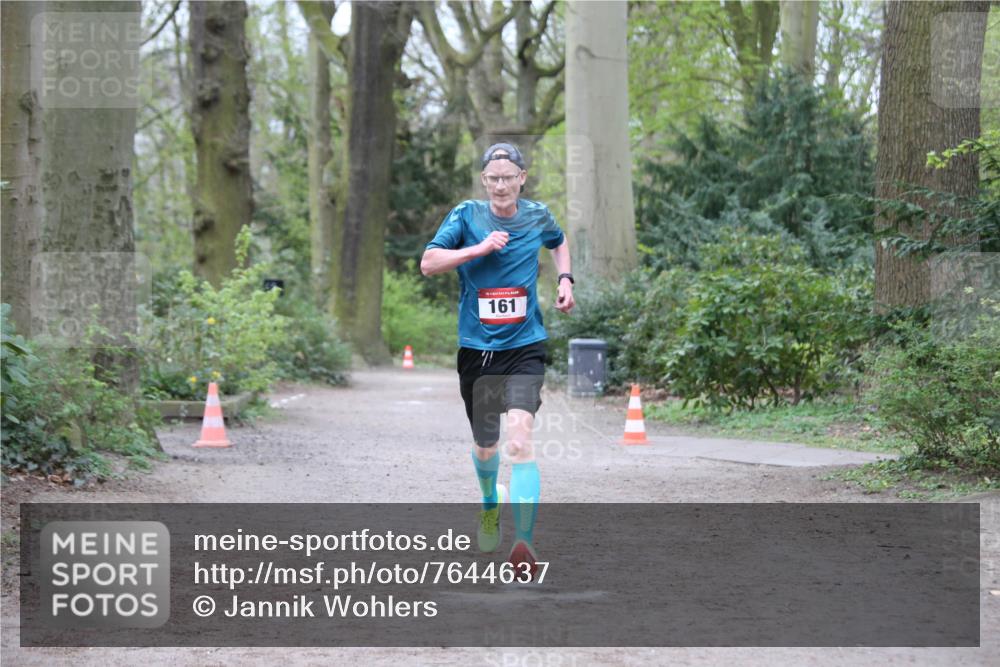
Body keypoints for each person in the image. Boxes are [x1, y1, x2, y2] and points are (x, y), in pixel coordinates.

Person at [420, 142, 575, 580]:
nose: (502, 184)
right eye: (494, 178)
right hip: (478, 351)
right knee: (486, 446)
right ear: (484, 181)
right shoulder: (466, 216)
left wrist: (565, 279)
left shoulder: (538, 215)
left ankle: (523, 540)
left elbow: (559, 242)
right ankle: (490, 504)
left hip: (526, 345)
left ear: (522, 177)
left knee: (520, 440)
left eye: (509, 176)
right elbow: (428, 263)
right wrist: (478, 250)